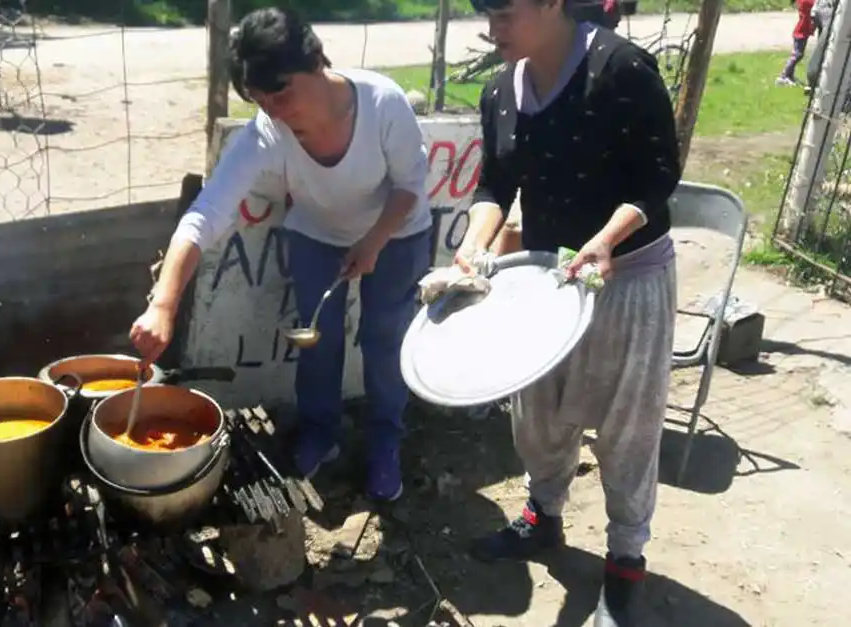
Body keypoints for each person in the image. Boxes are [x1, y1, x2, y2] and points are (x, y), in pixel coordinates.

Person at [128, 7, 433, 502]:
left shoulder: (382, 103)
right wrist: (163, 303)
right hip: (317, 234)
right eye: (260, 100)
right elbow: (206, 213)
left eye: (282, 92)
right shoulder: (267, 134)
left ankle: (385, 439)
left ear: (316, 61)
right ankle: (320, 432)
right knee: (316, 340)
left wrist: (373, 242)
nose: (274, 110)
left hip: (397, 233)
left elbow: (409, 189)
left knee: (384, 339)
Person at [456, 0, 681, 624]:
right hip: (548, 277)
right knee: (537, 412)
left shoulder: (621, 71)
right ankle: (543, 518)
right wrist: (472, 250)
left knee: (626, 428)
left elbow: (656, 180)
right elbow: (495, 187)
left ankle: (624, 561)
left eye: (503, 13)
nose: (492, 28)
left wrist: (607, 240)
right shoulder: (504, 89)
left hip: (629, 274)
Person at [779, 0, 817, 86]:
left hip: (802, 33)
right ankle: (783, 76)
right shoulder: (805, 2)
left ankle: (789, 75)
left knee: (798, 55)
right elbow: (814, 4)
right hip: (800, 33)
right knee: (797, 55)